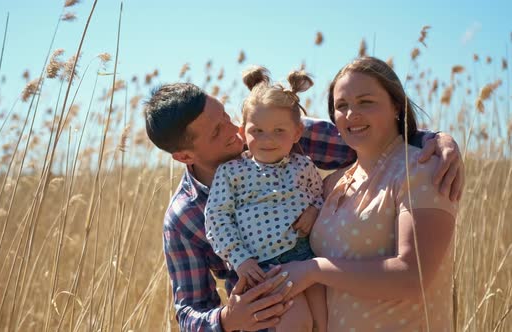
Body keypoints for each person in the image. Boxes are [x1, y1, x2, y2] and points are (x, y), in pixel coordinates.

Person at [143, 74, 464, 331]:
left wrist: (434, 140)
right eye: (217, 131)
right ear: (184, 156)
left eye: (225, 115)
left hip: (327, 295)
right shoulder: (183, 218)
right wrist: (227, 320)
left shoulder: (275, 131)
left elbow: (375, 137)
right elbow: (188, 311)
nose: (236, 130)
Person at [275, 56, 458, 331]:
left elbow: (412, 276)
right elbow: (262, 129)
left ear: (396, 105)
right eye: (341, 106)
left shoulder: (420, 169)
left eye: (366, 102)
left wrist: (314, 270)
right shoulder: (331, 183)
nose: (351, 114)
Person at [205, 66, 327, 331]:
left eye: (279, 131)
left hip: (305, 255)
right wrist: (240, 259)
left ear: (296, 133)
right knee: (298, 323)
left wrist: (314, 211)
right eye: (257, 131)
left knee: (324, 319)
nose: (267, 139)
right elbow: (217, 217)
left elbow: (319, 195)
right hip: (265, 265)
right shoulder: (232, 172)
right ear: (242, 131)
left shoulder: (302, 165)